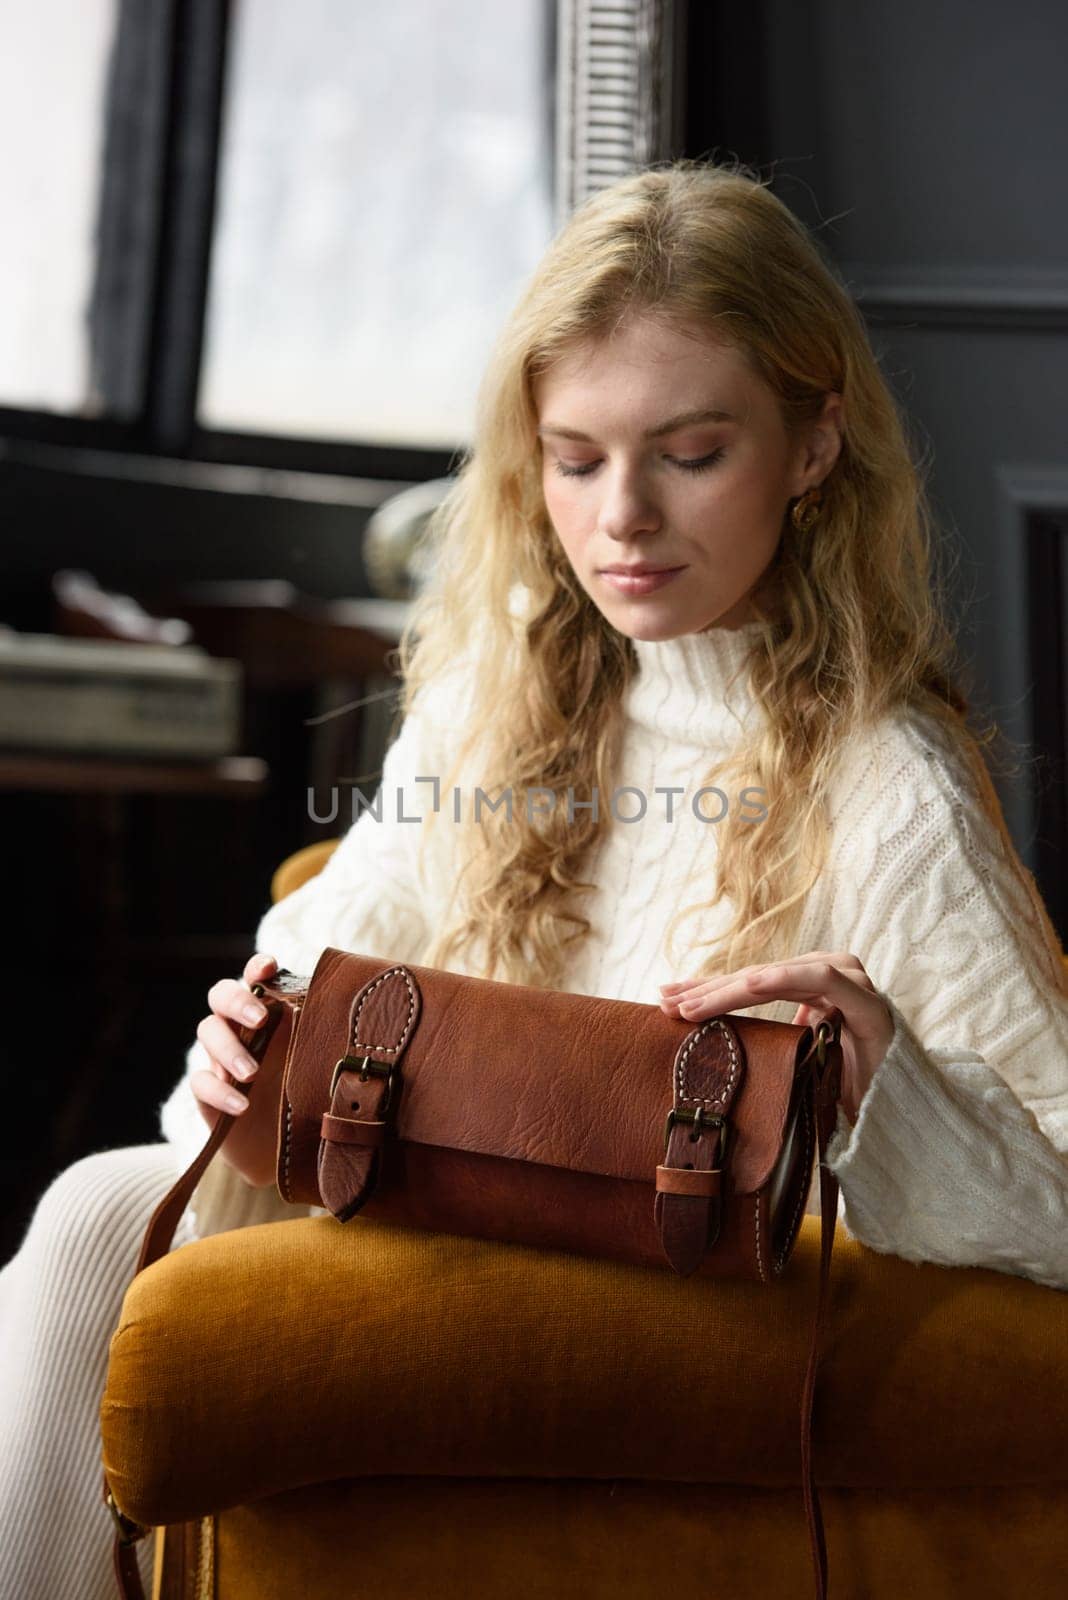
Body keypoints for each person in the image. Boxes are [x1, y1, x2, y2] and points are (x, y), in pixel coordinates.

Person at [3, 158, 1067, 1600]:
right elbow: (317, 967)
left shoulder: (891, 780)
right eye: (575, 459)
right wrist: (248, 1048)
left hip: (692, 1290)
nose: (620, 516)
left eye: (690, 453)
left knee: (86, 1237)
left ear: (815, 447)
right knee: (85, 1220)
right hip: (446, 1216)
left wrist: (891, 1090)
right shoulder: (492, 699)